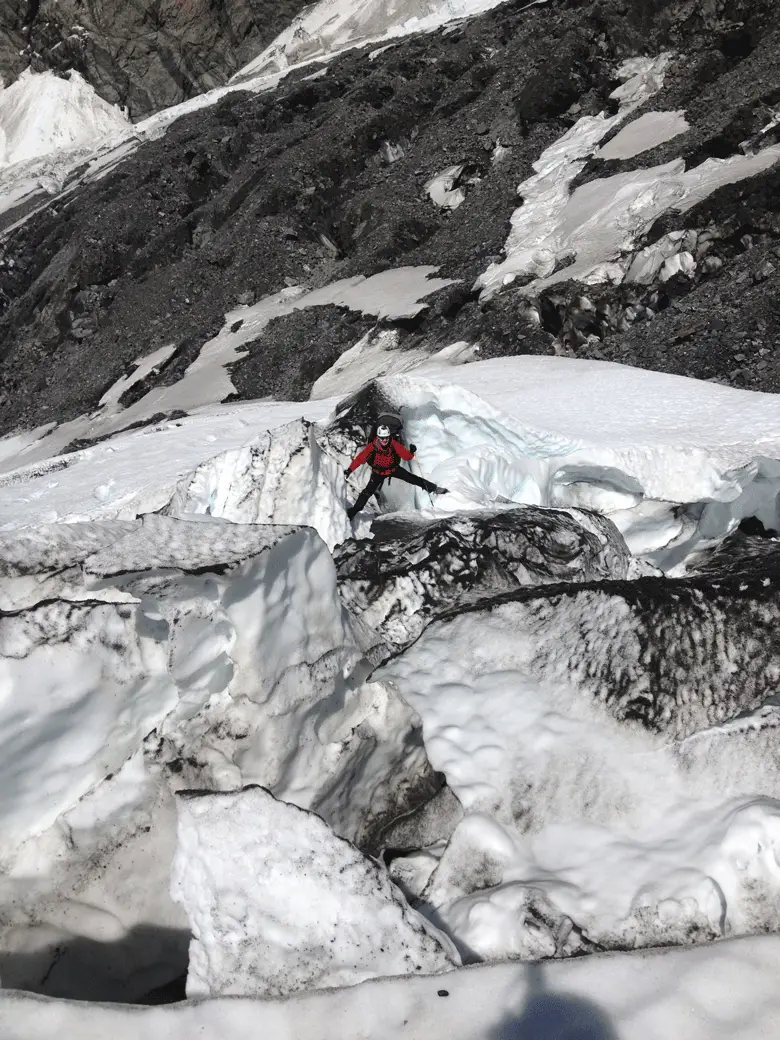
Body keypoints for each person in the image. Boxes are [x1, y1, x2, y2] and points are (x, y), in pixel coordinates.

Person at [344, 424, 448, 520]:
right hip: (378, 473)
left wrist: (411, 452)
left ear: (389, 436)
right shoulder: (372, 447)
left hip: (393, 469)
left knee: (413, 478)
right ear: (378, 437)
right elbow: (359, 459)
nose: (384, 440)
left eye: (386, 437)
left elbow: (406, 457)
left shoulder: (393, 444)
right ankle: (353, 512)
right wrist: (349, 470)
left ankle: (434, 488)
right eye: (382, 438)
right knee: (366, 493)